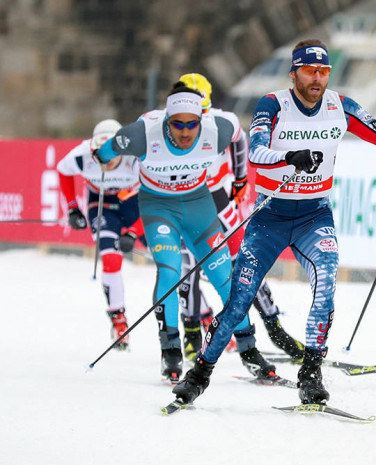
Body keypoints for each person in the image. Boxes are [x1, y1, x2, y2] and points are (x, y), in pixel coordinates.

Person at [172, 39, 376, 406]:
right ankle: (199, 374)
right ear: (294, 72)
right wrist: (290, 157)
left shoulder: (339, 105)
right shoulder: (272, 103)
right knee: (239, 301)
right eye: (310, 71)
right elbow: (257, 153)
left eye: (324, 72)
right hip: (270, 217)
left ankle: (310, 374)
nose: (317, 79)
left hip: (314, 214)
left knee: (326, 283)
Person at [95, 82, 278, 384]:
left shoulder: (218, 128)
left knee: (224, 277)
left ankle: (249, 349)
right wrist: (103, 156)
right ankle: (170, 351)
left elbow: (239, 136)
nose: (184, 131)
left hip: (197, 204)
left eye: (191, 124)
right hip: (158, 207)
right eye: (177, 124)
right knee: (169, 272)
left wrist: (242, 176)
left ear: (201, 120)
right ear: (166, 121)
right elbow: (108, 148)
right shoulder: (141, 134)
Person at [175, 72, 305, 363]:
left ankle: (275, 329)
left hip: (220, 203)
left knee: (247, 265)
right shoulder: (170, 126)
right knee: (188, 272)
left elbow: (240, 141)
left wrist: (239, 180)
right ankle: (193, 335)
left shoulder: (222, 120)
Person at [57, 119, 145, 350]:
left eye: (110, 155)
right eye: (98, 155)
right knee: (111, 258)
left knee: (169, 256)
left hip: (134, 203)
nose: (104, 161)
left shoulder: (135, 158)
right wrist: (73, 208)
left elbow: (153, 201)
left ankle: (200, 315)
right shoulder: (81, 155)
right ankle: (119, 320)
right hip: (101, 203)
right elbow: (62, 171)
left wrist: (134, 233)